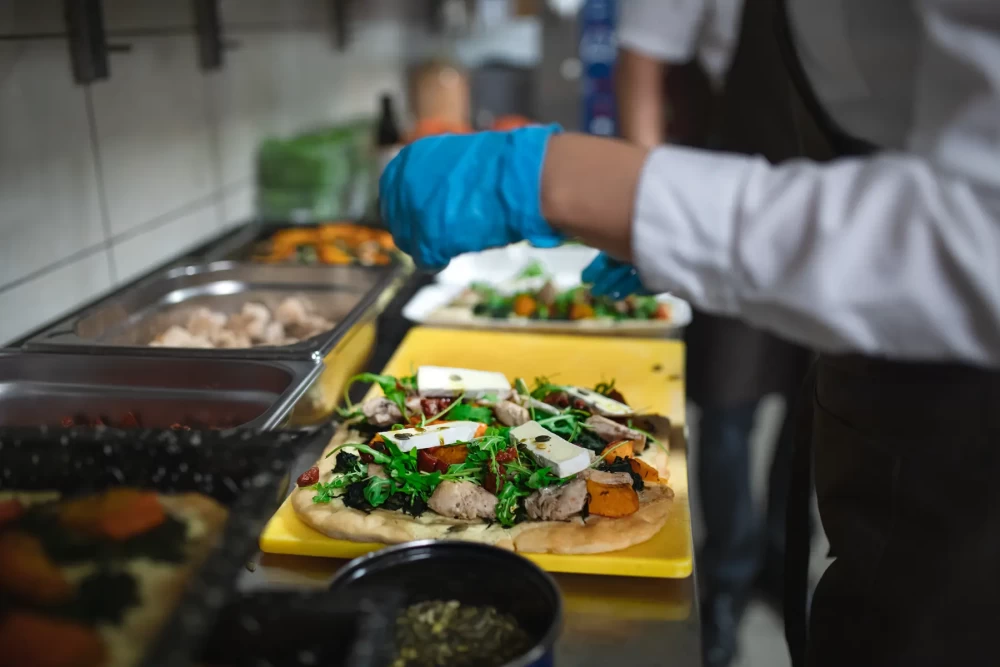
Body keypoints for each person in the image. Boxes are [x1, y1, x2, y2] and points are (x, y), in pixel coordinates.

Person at [380, 1, 1000, 665]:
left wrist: (577, 184)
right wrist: (651, 212)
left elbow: (977, 238)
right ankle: (735, 581)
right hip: (878, 389)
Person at [616, 3, 811, 665]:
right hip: (735, 199)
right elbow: (642, 62)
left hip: (851, 195)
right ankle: (727, 577)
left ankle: (783, 562)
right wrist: (641, 214)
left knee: (820, 404)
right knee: (726, 408)